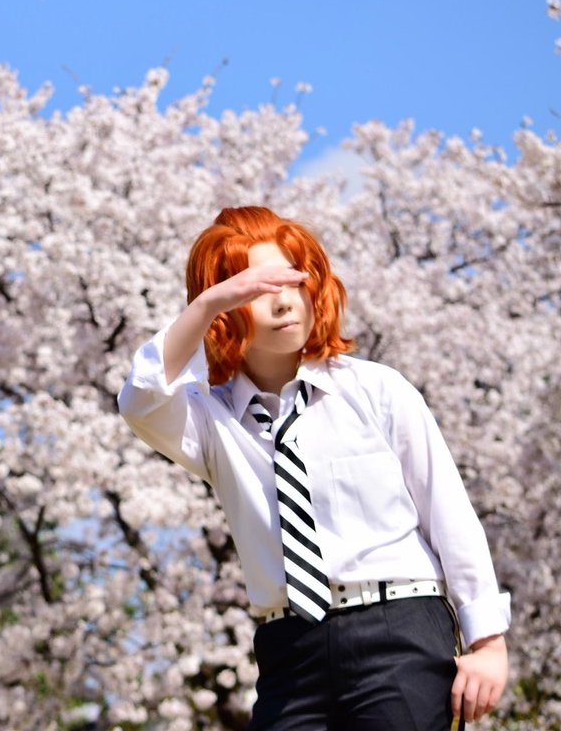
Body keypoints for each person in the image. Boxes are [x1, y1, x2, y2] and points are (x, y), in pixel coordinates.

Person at [117, 206, 510, 730]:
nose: (282, 300)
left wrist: (487, 642)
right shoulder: (211, 421)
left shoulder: (376, 390)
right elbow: (142, 400)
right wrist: (207, 303)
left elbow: (448, 514)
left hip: (400, 630)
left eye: (292, 281)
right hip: (288, 651)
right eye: (255, 289)